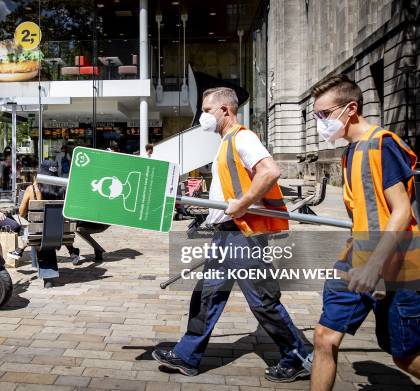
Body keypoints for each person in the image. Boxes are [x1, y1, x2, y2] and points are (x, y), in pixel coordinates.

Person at [152, 87, 310, 381]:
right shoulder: (225, 143)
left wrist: (243, 203)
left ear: (225, 110)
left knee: (262, 301)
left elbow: (269, 171)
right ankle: (188, 355)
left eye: (207, 110)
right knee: (207, 295)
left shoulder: (242, 138)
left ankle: (300, 355)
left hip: (243, 235)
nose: (203, 116)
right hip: (226, 235)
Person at [310, 74, 419, 390]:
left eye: (324, 114)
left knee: (404, 355)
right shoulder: (350, 151)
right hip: (357, 259)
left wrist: (375, 267)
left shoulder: (381, 145)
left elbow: (402, 210)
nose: (320, 123)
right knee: (324, 337)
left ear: (351, 108)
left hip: (399, 266)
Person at [16, 159, 81, 287]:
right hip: (62, 234)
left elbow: (21, 213)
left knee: (39, 230)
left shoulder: (32, 189)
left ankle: (48, 276)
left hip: (38, 235)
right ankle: (72, 252)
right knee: (48, 228)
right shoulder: (63, 189)